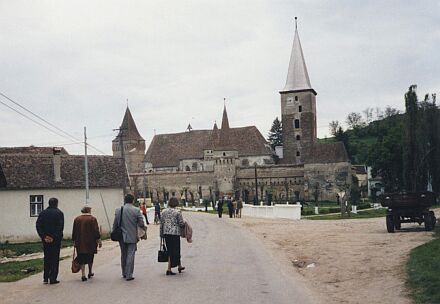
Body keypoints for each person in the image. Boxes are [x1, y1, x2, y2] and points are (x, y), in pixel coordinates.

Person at [113, 194, 145, 281]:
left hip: (121, 236)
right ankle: (129, 274)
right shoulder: (136, 210)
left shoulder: (118, 210)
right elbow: (141, 223)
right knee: (130, 255)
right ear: (132, 200)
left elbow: (115, 224)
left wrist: (114, 232)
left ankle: (124, 272)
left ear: (125, 200)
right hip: (132, 235)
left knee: (123, 254)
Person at [36, 197, 64, 285]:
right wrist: (53, 237)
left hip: (45, 240)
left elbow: (38, 225)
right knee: (54, 258)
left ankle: (45, 277)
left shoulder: (42, 213)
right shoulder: (59, 213)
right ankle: (53, 278)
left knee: (47, 257)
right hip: (55, 240)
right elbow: (60, 227)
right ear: (56, 203)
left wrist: (44, 236)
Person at [72, 206, 102, 282]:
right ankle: (90, 271)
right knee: (90, 257)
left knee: (81, 257)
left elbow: (74, 231)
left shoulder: (77, 219)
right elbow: (96, 231)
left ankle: (83, 274)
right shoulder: (92, 219)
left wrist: (74, 241)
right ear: (88, 210)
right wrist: (99, 240)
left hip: (80, 242)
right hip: (90, 242)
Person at [160, 197, 185, 275]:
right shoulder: (178, 212)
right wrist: (184, 224)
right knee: (176, 249)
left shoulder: (163, 211)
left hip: (166, 233)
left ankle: (177, 266)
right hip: (175, 233)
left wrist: (161, 235)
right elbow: (181, 223)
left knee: (170, 250)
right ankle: (170, 269)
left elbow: (161, 224)